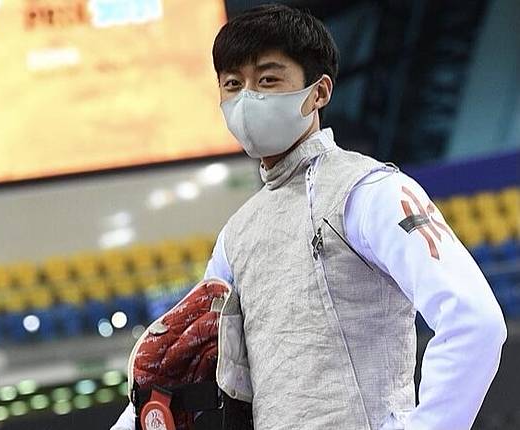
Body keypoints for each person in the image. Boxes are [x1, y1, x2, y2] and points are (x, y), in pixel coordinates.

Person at [112, 4, 507, 429]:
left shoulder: (368, 191)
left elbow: (473, 321)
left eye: (267, 79)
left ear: (318, 92)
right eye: (233, 84)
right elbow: (186, 363)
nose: (248, 98)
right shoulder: (236, 236)